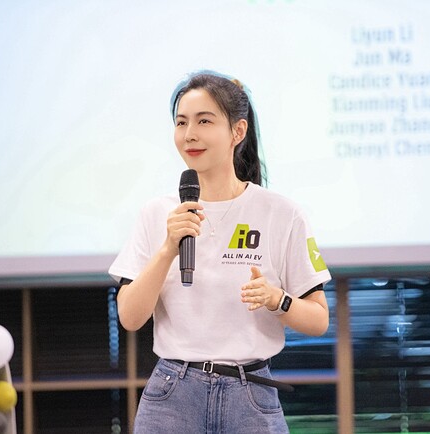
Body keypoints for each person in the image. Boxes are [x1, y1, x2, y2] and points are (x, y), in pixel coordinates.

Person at [108, 71, 331, 433]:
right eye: (181, 122)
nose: (189, 134)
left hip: (251, 396)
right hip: (172, 395)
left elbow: (319, 320)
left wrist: (277, 300)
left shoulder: (281, 213)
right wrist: (168, 249)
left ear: (238, 131)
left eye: (204, 121)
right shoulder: (157, 212)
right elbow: (130, 318)